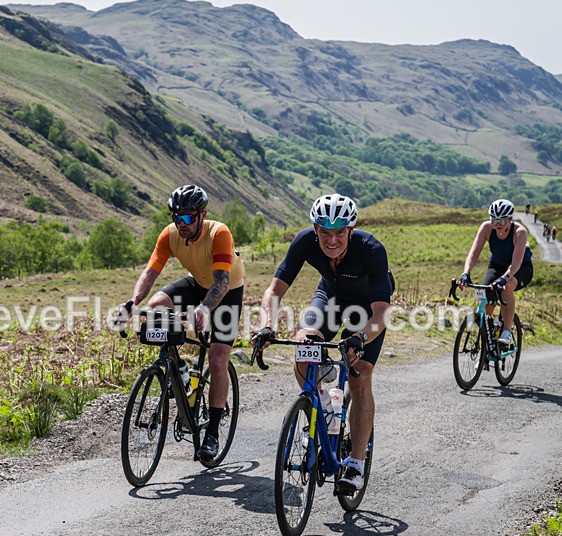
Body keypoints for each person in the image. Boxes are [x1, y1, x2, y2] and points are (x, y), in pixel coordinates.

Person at [251, 194, 392, 497]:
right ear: (315, 229)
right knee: (304, 344)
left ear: (350, 230)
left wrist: (360, 338)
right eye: (325, 232)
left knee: (360, 374)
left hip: (368, 306)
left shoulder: (371, 250)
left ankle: (355, 461)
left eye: (339, 232)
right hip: (330, 296)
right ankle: (321, 411)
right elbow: (274, 289)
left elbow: (382, 312)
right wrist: (267, 324)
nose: (331, 240)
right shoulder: (305, 241)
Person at [120, 184, 245, 463]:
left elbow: (222, 282)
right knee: (154, 308)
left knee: (217, 358)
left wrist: (203, 308)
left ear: (202, 215)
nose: (182, 223)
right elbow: (151, 271)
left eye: (188, 217)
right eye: (177, 217)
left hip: (226, 291)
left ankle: (211, 432)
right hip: (196, 283)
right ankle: (179, 368)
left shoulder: (219, 233)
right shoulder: (170, 234)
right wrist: (132, 302)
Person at [459, 199, 533, 345]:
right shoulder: (486, 228)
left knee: (506, 288)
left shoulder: (519, 232)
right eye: (494, 220)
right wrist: (466, 273)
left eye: (501, 221)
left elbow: (516, 264)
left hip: (520, 268)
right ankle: (488, 339)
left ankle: (507, 330)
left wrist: (504, 278)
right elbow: (474, 253)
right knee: (485, 295)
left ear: (510, 220)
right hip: (497, 265)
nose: (496, 225)